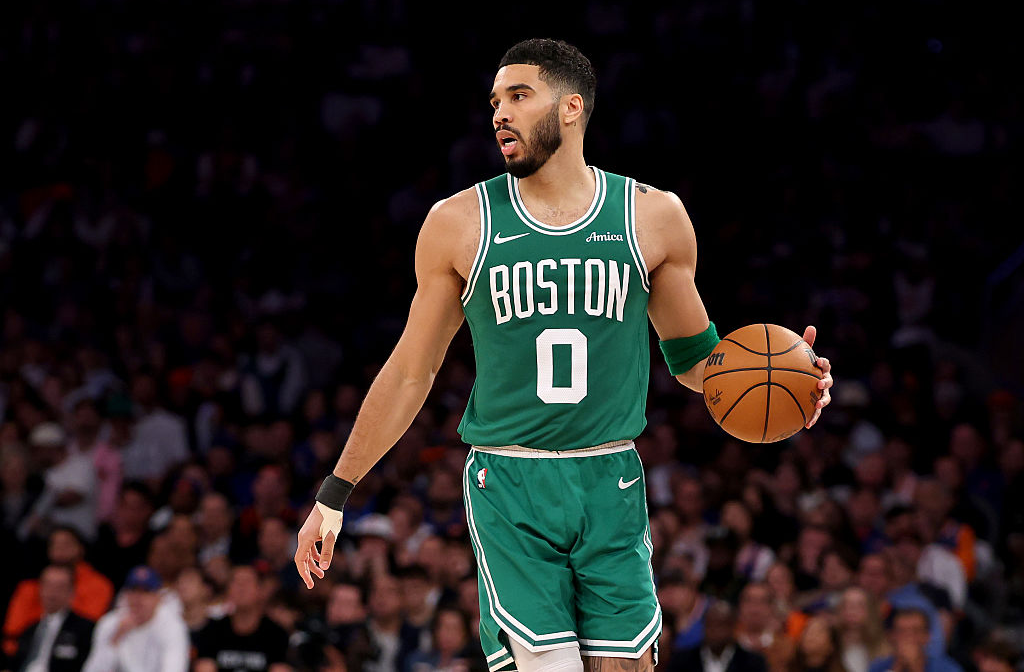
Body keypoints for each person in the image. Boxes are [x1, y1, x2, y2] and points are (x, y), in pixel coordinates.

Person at [294, 38, 834, 672]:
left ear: (572, 106)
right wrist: (334, 492)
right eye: (495, 100)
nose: (500, 113)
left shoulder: (653, 217)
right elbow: (412, 372)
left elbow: (695, 360)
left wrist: (783, 379)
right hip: (512, 480)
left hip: (612, 478)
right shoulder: (459, 222)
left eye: (519, 96)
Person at [82, 565, 189, 672]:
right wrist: (116, 638)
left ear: (157, 597)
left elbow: (175, 668)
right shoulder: (110, 623)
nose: (138, 598)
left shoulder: (172, 626)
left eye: (146, 591)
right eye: (133, 590)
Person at [193, 564, 291, 672]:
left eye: (247, 582)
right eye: (236, 582)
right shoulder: (212, 631)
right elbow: (204, 667)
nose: (241, 588)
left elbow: (280, 668)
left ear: (260, 590)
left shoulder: (276, 634)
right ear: (228, 590)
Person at [9, 564, 94, 672]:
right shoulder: (29, 629)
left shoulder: (85, 628)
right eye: (48, 585)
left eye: (59, 587)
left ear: (72, 591)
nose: (52, 592)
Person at [667, 601, 766, 672]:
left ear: (733, 628)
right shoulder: (682, 661)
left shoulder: (753, 663)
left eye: (720, 625)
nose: (714, 631)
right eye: (710, 624)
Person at [867, 609, 961, 672]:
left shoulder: (947, 668)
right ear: (892, 636)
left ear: (927, 636)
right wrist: (896, 668)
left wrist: (916, 668)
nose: (909, 637)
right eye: (902, 631)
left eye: (916, 631)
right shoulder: (878, 667)